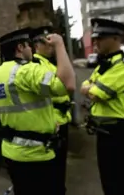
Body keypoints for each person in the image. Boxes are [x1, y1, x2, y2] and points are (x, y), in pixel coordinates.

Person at [0, 28, 75, 195]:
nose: (32, 49)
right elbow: (68, 85)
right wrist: (59, 45)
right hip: (35, 156)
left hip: (12, 151)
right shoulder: (26, 70)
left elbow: (23, 110)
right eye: (29, 45)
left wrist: (49, 123)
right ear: (20, 47)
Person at [81, 18, 124, 195]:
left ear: (117, 38)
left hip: (122, 134)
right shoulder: (106, 65)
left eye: (101, 37)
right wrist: (90, 87)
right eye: (95, 38)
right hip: (106, 133)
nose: (96, 42)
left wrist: (90, 88)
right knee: (110, 186)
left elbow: (97, 93)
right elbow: (85, 85)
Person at [30, 26, 72, 195]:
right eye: (46, 42)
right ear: (36, 45)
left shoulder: (49, 63)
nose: (50, 46)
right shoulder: (35, 64)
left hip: (62, 121)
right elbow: (68, 85)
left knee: (59, 175)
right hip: (51, 124)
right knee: (52, 178)